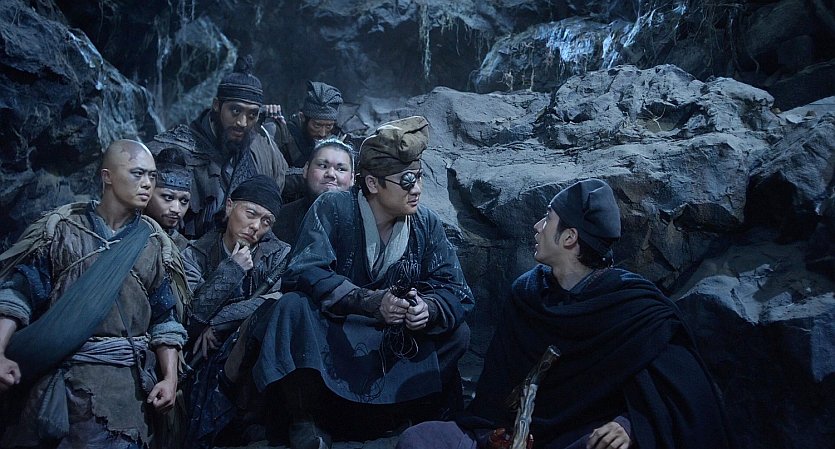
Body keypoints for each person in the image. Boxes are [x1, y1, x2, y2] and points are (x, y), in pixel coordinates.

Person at [396, 179, 731, 449]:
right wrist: (495, 434)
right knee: (420, 439)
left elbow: (683, 398)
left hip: (574, 437)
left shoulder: (633, 308)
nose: (537, 226)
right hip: (507, 434)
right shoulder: (528, 294)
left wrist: (628, 425)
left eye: (548, 219)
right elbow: (496, 392)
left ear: (570, 237)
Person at [237, 116, 473, 449]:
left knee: (458, 332)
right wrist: (371, 302)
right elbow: (304, 271)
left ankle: (394, 415)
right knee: (292, 307)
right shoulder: (334, 207)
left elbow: (457, 291)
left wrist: (428, 309)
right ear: (373, 183)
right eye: (407, 180)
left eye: (419, 177)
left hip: (391, 339)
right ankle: (306, 418)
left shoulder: (426, 224)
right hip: (339, 331)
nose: (417, 189)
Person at [0, 140, 188, 449]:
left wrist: (169, 379)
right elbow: (19, 295)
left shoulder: (155, 244)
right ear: (107, 176)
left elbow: (165, 321)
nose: (147, 183)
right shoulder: (62, 230)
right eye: (138, 173)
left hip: (123, 388)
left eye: (152, 176)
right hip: (62, 380)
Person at [181, 174, 290, 449]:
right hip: (201, 356)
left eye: (266, 221)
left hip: (252, 354)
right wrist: (232, 270)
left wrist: (219, 321)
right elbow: (191, 317)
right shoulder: (195, 254)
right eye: (250, 214)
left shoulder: (278, 255)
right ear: (230, 206)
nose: (255, 226)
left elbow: (277, 299)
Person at [148, 56, 288, 239]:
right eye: (235, 111)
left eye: (252, 115)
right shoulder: (177, 146)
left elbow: (285, 179)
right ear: (217, 105)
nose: (242, 122)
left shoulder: (262, 147)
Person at [266, 81, 343, 203]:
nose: (322, 133)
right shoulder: (282, 135)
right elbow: (272, 177)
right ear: (302, 117)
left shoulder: (337, 139)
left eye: (328, 126)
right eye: (317, 125)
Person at [272, 137, 354, 248]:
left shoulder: (362, 222)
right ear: (306, 169)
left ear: (352, 178)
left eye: (341, 169)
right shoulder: (281, 218)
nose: (331, 174)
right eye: (323, 166)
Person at [145, 147, 193, 250]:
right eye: (168, 197)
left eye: (184, 201)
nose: (176, 209)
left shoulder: (186, 249)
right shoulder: (126, 233)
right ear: (148, 193)